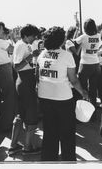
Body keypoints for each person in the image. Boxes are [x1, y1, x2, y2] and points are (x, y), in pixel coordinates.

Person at [36, 26, 89, 161]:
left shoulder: (41, 55)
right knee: (67, 134)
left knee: (49, 133)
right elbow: (74, 80)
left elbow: (38, 76)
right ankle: (68, 161)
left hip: (44, 97)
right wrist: (83, 93)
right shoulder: (66, 55)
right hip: (63, 99)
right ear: (61, 40)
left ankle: (48, 161)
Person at [8, 24, 41, 156]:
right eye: (33, 35)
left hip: (23, 81)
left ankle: (13, 145)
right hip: (25, 81)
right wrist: (31, 56)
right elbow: (16, 66)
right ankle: (28, 148)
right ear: (26, 35)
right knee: (31, 114)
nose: (35, 38)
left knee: (20, 115)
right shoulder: (22, 45)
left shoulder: (21, 44)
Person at [0, 20, 17, 132]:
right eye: (1, 29)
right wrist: (10, 37)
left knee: (6, 98)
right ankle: (4, 125)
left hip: (2, 69)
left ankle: (3, 123)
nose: (3, 31)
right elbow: (13, 50)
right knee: (8, 99)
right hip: (4, 69)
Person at [75, 18, 101, 121]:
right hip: (96, 64)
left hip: (85, 65)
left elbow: (73, 43)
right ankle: (93, 115)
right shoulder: (99, 36)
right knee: (93, 91)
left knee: (83, 90)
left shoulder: (83, 37)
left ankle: (83, 115)